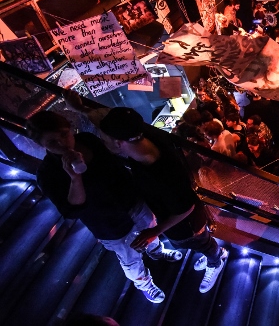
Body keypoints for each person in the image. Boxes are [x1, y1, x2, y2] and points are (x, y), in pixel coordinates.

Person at [27, 110, 180, 304]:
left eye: (64, 135)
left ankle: (156, 251)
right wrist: (75, 178)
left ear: (69, 128)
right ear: (41, 145)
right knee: (130, 257)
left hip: (132, 201)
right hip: (108, 224)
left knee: (150, 228)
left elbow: (115, 164)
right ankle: (143, 283)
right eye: (52, 142)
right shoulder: (47, 173)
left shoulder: (88, 140)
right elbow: (72, 210)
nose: (63, 144)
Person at [98, 107, 229, 294]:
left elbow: (186, 207)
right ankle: (212, 254)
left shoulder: (162, 173)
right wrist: (81, 108)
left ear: (119, 143)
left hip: (188, 224)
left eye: (104, 140)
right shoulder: (148, 137)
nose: (102, 144)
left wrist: (155, 231)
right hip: (180, 218)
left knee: (200, 243)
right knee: (198, 243)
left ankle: (216, 261)